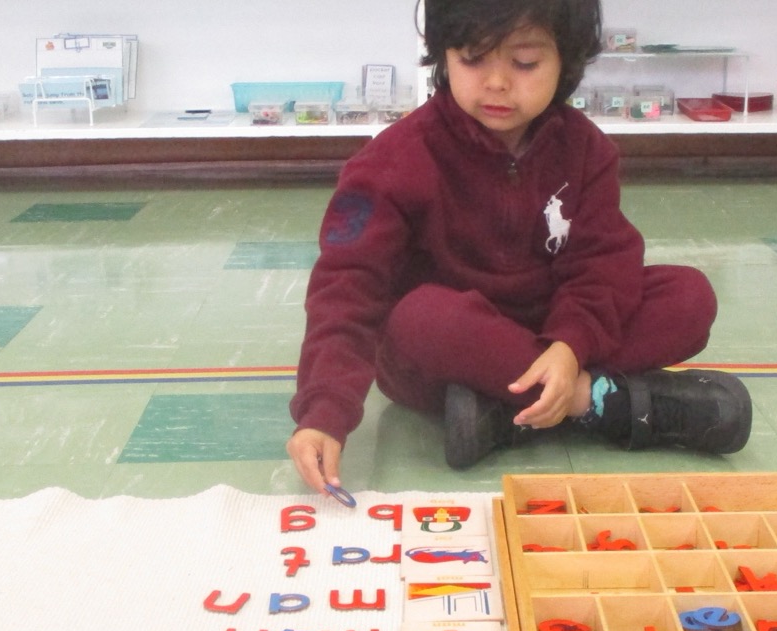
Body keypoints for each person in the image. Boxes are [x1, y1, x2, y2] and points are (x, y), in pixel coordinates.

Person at [286, 0, 752, 495]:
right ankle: (599, 403)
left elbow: (602, 264)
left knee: (688, 297)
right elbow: (346, 287)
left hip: (553, 330)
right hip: (447, 352)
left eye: (525, 63)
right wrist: (324, 412)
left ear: (565, 63)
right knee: (418, 318)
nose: (496, 83)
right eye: (472, 59)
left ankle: (511, 412)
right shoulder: (393, 160)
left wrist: (570, 347)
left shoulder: (587, 150)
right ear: (443, 55)